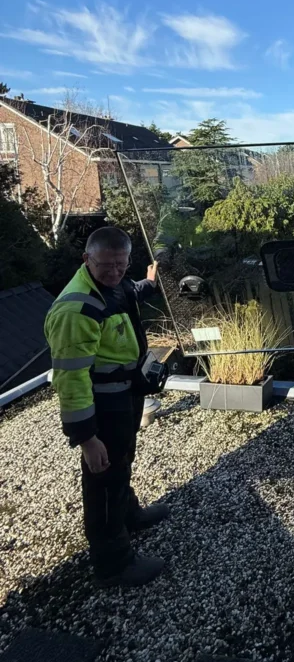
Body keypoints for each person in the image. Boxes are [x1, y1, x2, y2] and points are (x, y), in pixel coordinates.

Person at [44, 226, 169, 587]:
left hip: (124, 394)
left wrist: (149, 282)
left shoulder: (113, 285)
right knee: (104, 480)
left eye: (121, 264)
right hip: (102, 404)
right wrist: (86, 437)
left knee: (121, 463)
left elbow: (127, 291)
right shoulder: (77, 309)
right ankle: (113, 563)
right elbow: (70, 379)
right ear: (86, 260)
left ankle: (129, 515)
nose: (114, 272)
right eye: (105, 266)